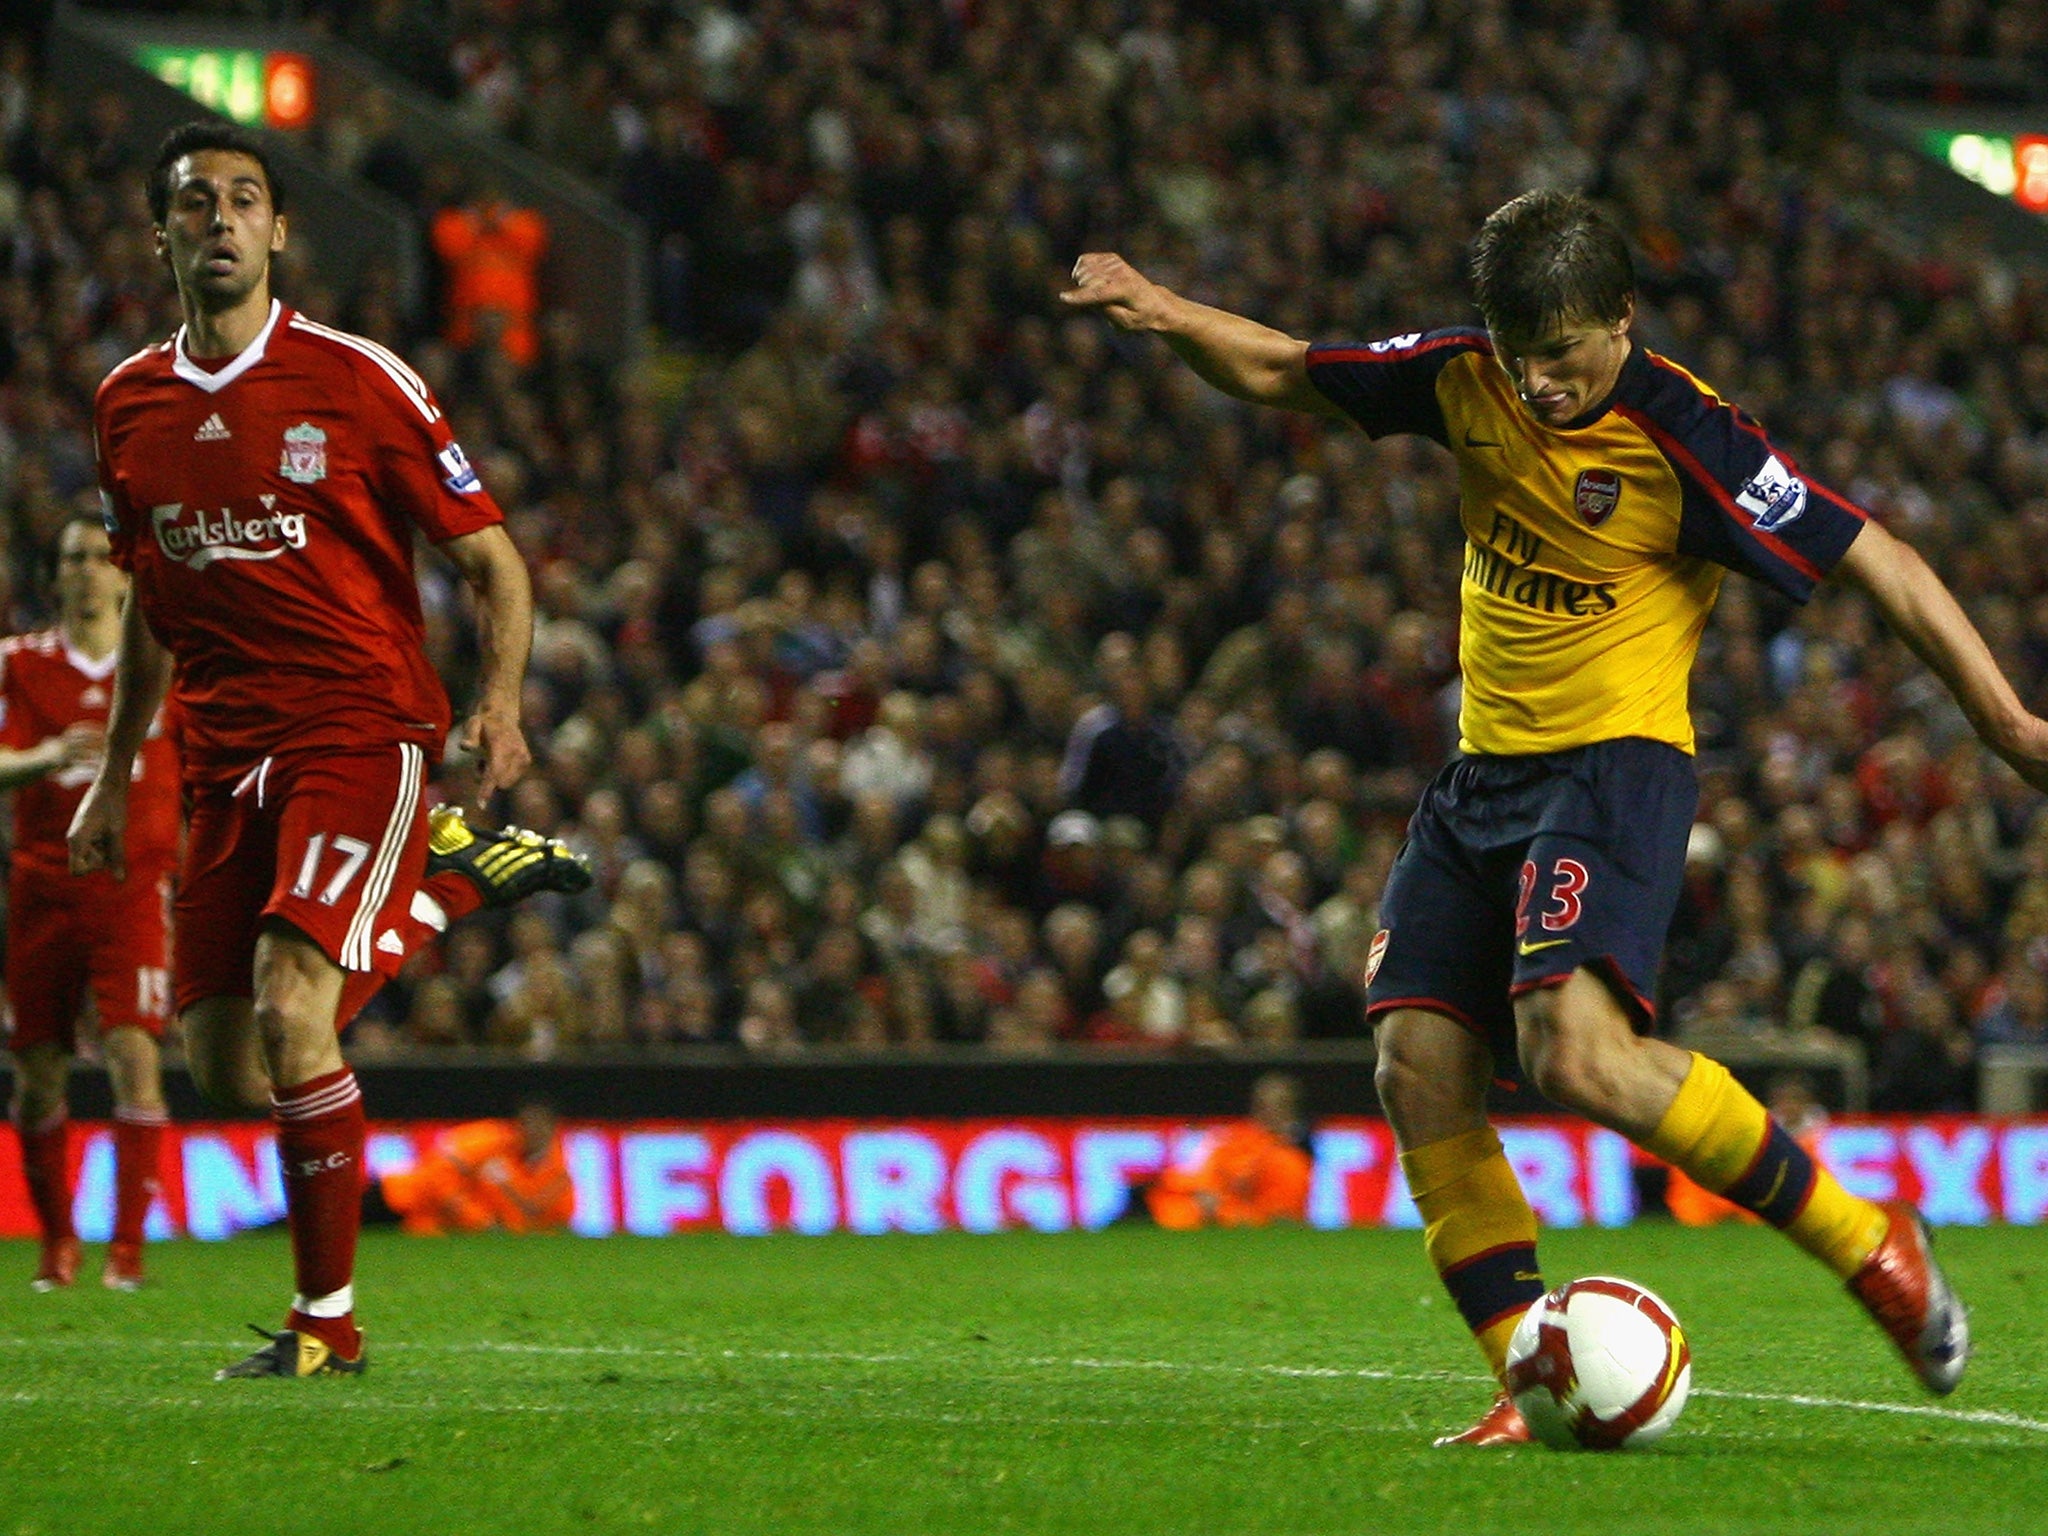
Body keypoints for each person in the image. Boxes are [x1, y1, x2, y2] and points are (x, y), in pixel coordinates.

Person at [1063, 188, 2046, 1443]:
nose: (1540, 387)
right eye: (1522, 359)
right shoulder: (1463, 377)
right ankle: (1527, 1379)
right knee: (1414, 1068)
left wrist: (2007, 724)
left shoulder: (1686, 435)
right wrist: (1159, 307)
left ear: (1621, 322)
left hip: (1613, 769)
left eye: (1567, 361)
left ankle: (1869, 1245)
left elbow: (1876, 557)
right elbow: (1276, 366)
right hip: (1481, 779)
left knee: (1572, 1055)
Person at [72, 120, 582, 1380]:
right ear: (163, 236)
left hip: (359, 724)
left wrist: (499, 704)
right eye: (196, 204)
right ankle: (454, 880)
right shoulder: (124, 407)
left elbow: (491, 560)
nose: (222, 221)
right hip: (218, 751)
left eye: (246, 200)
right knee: (229, 1067)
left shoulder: (359, 380)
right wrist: (113, 770)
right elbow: (149, 603)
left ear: (281, 230)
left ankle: (325, 1330)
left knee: (298, 1004)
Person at [2, 513, 180, 1292]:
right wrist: (41, 757)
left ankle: (128, 1255)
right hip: (41, 888)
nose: (83, 571)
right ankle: (58, 1245)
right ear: (56, 576)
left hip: (132, 888)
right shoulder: (17, 664)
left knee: (134, 1056)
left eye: (95, 558)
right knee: (36, 1073)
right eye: (70, 558)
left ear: (123, 575)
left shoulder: (166, 662)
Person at [365, 1101, 573, 1235]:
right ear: (518, 1126)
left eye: (541, 1127)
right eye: (529, 1125)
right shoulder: (487, 1139)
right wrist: (479, 1221)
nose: (534, 1133)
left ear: (554, 1129)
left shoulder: (555, 1168)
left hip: (430, 1225)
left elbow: (551, 1213)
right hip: (398, 1197)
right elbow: (438, 1175)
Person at [1138, 1071, 1313, 1229]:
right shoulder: (1231, 1142)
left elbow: (1286, 1217)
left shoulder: (1294, 1160)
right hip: (1219, 1220)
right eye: (1264, 1105)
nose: (1271, 1112)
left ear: (1293, 1111)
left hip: (1247, 1223)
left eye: (1280, 1105)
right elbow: (1198, 1182)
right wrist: (1206, 1197)